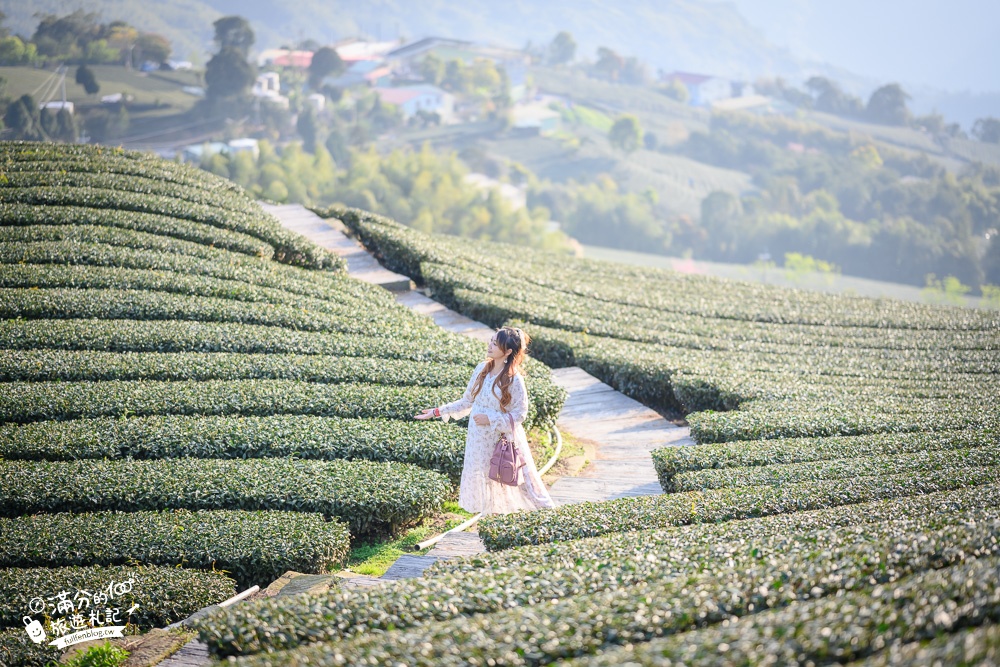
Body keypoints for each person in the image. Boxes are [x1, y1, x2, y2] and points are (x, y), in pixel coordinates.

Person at [415, 326, 556, 515]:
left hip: (501, 437)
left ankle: (545, 514)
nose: (490, 346)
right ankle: (493, 519)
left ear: (507, 352)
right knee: (485, 479)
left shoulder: (514, 379)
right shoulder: (481, 369)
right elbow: (467, 401)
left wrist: (491, 419)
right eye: (491, 341)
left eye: (495, 344)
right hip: (478, 438)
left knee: (513, 477)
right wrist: (437, 411)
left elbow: (520, 413)